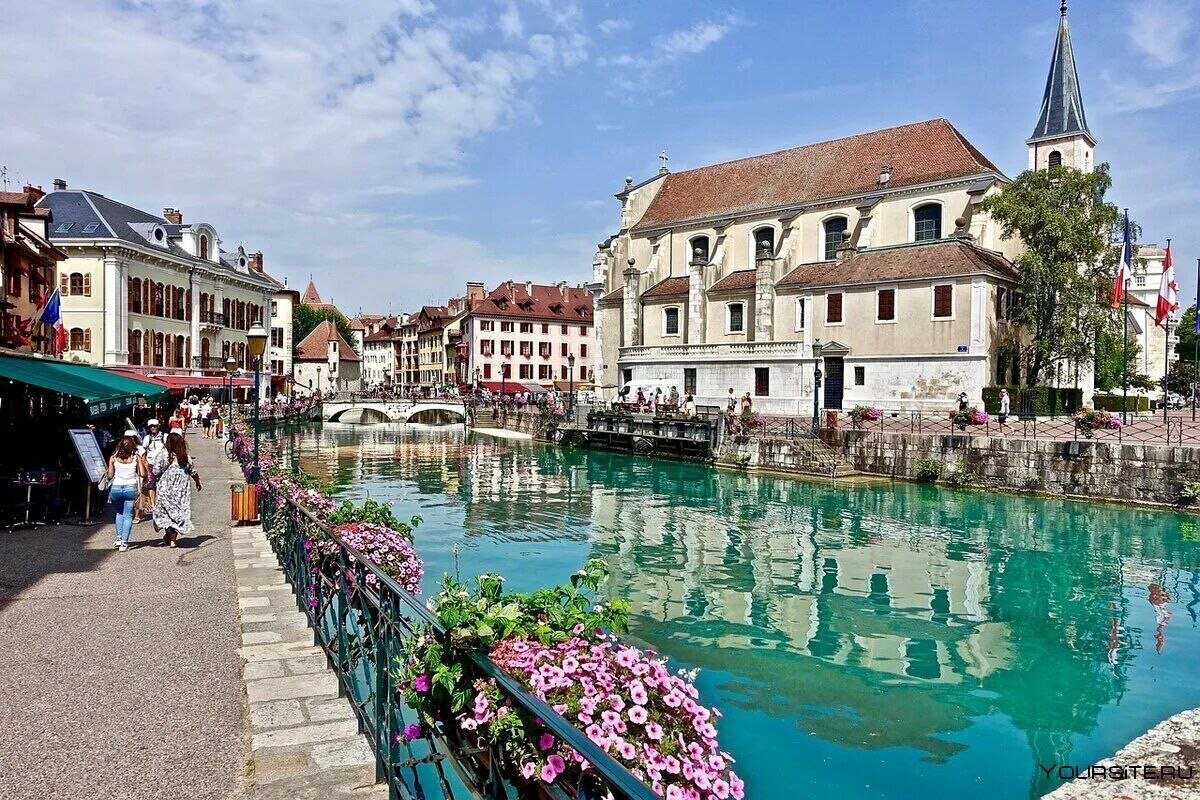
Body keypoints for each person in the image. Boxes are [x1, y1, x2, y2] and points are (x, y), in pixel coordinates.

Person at [152, 431, 202, 547]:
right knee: (178, 513)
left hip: (165, 489)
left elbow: (155, 471)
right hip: (181, 491)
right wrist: (198, 483)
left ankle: (170, 537)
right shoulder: (185, 457)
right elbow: (193, 472)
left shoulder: (163, 455)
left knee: (166, 513)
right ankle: (172, 540)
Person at [105, 435, 145, 552]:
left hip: (116, 488)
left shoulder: (113, 458)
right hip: (130, 488)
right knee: (128, 515)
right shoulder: (135, 458)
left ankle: (118, 538)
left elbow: (110, 476)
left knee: (119, 513)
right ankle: (124, 542)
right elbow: (142, 473)